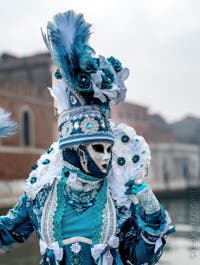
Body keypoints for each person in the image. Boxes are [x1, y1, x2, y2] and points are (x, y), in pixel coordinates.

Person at [0, 10, 175, 265]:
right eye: (97, 148)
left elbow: (140, 257)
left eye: (108, 148)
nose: (106, 156)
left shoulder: (120, 198)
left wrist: (151, 216)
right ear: (75, 150)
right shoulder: (40, 195)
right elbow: (6, 231)